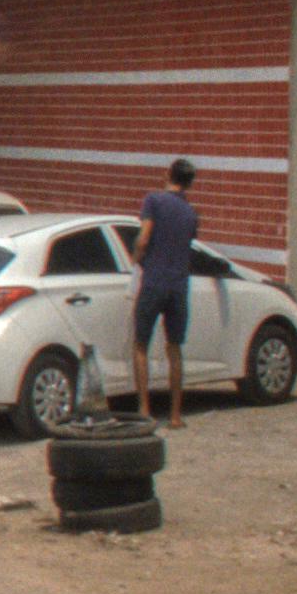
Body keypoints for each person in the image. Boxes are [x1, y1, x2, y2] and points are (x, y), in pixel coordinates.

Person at [130, 157, 201, 426]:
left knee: (141, 344)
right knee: (175, 348)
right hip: (179, 285)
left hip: (154, 281)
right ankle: (175, 415)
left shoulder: (154, 201)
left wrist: (136, 259)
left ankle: (144, 410)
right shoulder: (191, 213)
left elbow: (144, 238)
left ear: (168, 174)